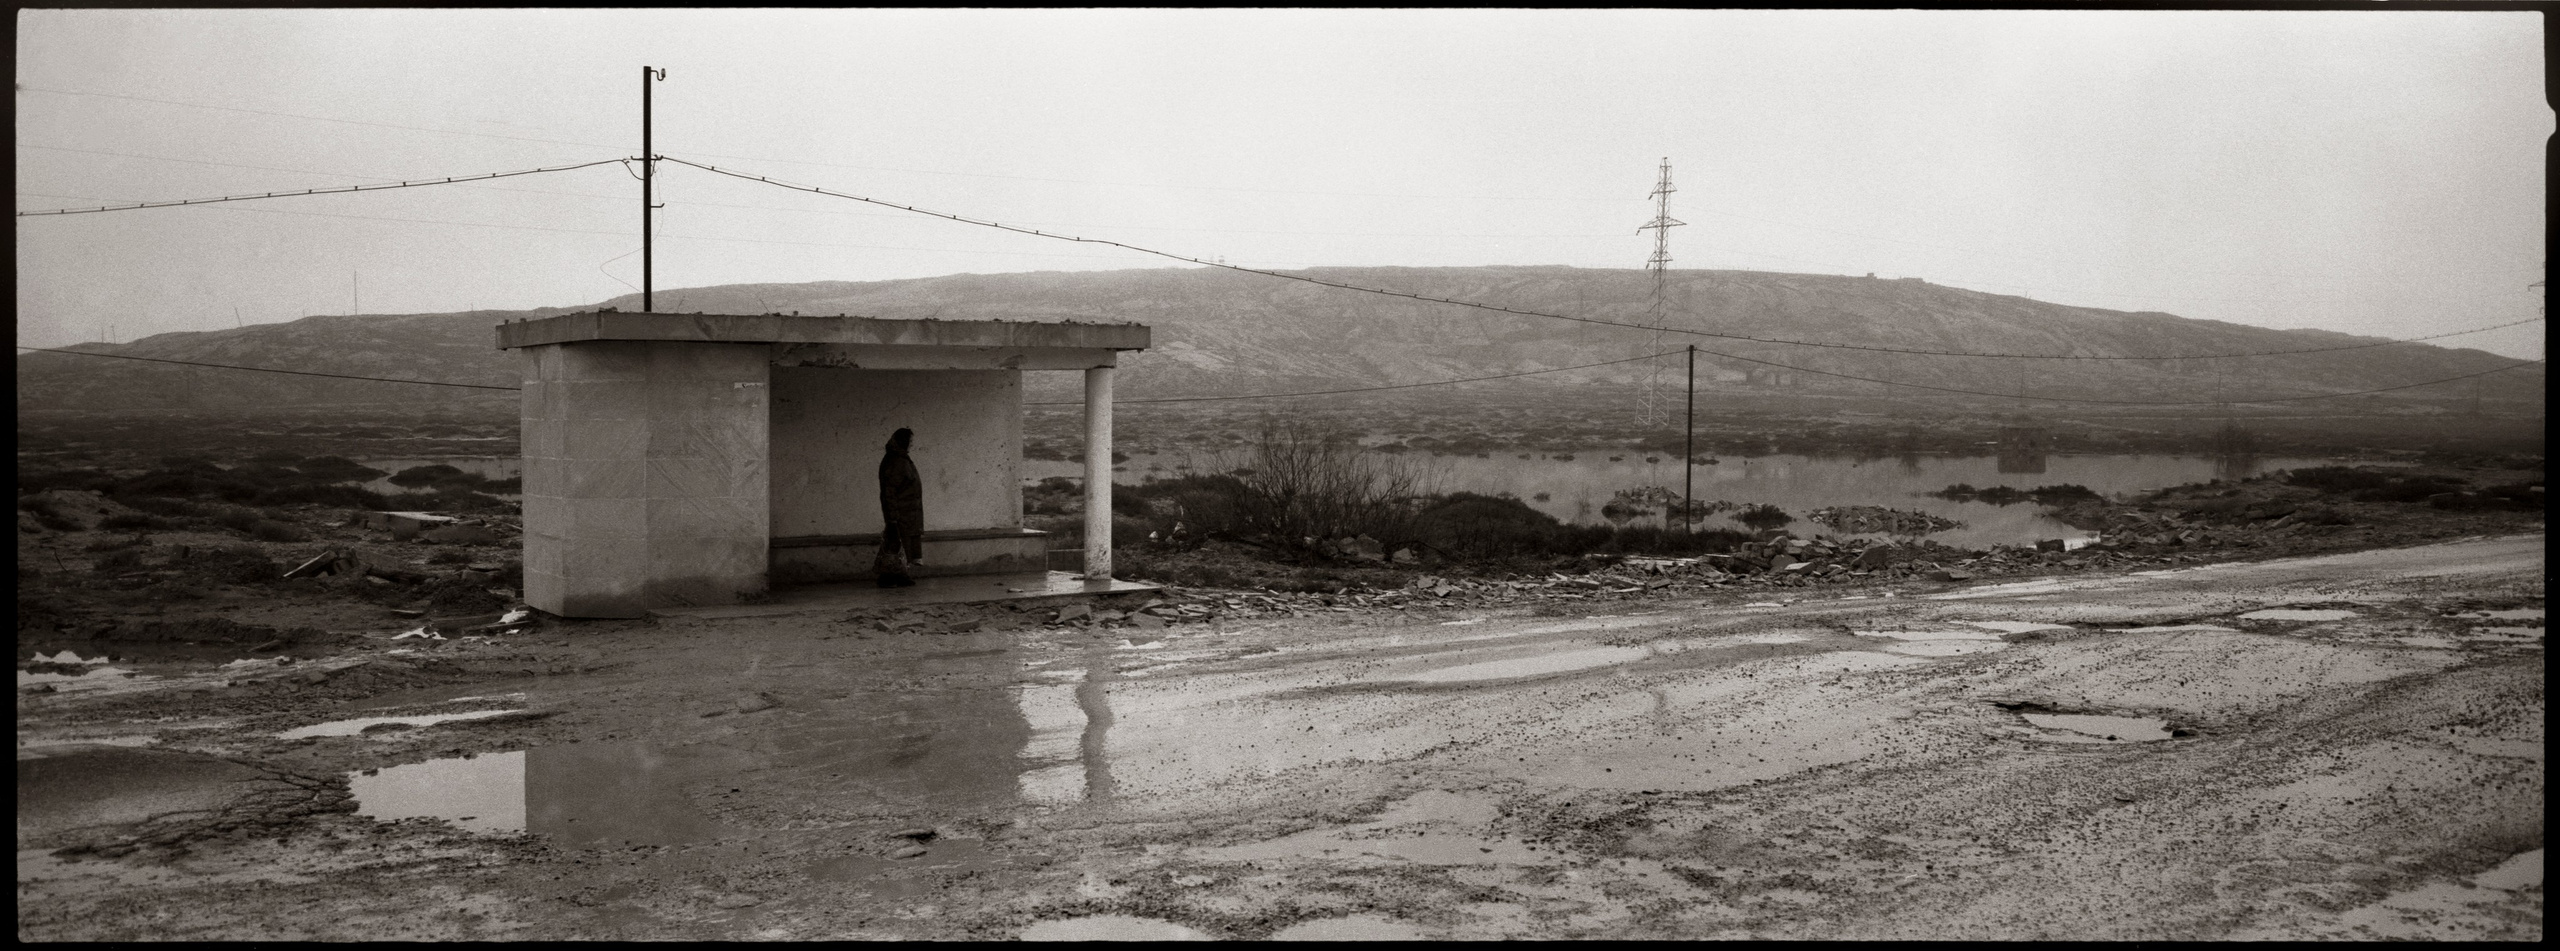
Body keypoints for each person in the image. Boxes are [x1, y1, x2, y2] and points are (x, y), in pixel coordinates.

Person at [875, 427, 924, 588]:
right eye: (910, 441)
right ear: (904, 442)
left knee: (901, 543)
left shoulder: (899, 459)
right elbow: (890, 492)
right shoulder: (896, 461)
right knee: (898, 543)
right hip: (901, 512)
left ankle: (897, 574)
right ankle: (893, 575)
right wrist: (893, 517)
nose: (912, 445)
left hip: (908, 511)